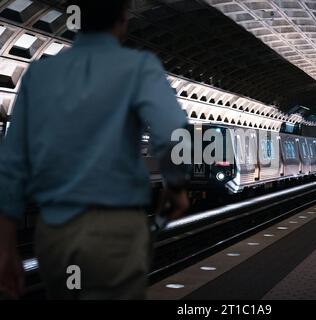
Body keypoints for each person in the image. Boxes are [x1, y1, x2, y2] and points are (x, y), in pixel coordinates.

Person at [0, 0, 190, 300]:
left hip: (56, 231)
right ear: (123, 19)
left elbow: (11, 165)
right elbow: (173, 131)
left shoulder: (39, 75)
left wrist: (5, 247)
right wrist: (176, 186)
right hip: (116, 229)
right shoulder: (139, 68)